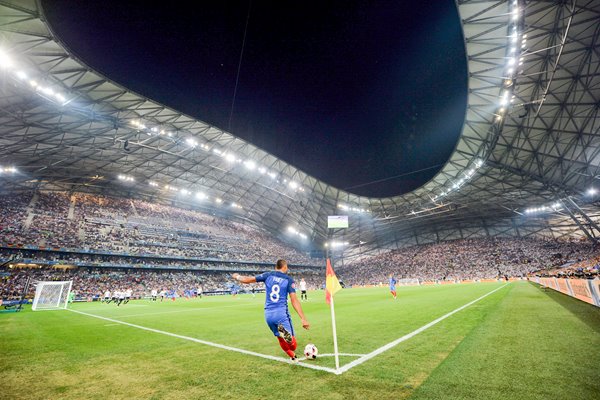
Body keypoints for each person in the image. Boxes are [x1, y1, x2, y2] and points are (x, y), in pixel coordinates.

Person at [233, 259, 310, 361]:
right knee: (293, 346)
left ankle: (292, 356)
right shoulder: (288, 279)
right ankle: (289, 341)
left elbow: (247, 280)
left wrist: (236, 276)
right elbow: (294, 300)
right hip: (281, 314)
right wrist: (303, 318)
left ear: (275, 267)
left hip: (268, 315)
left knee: (279, 337)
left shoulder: (268, 275)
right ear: (285, 267)